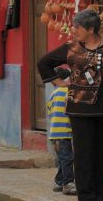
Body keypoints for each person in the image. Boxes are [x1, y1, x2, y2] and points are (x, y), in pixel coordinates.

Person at [38, 9, 103, 201]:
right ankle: (87, 197)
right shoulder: (71, 47)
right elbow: (44, 62)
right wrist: (59, 82)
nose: (73, 30)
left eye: (77, 27)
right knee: (83, 157)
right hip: (80, 111)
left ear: (90, 29)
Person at [47, 67, 76, 195]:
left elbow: (49, 111)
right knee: (67, 158)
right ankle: (68, 183)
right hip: (64, 131)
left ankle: (59, 182)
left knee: (63, 158)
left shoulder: (53, 94)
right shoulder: (68, 92)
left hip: (54, 132)